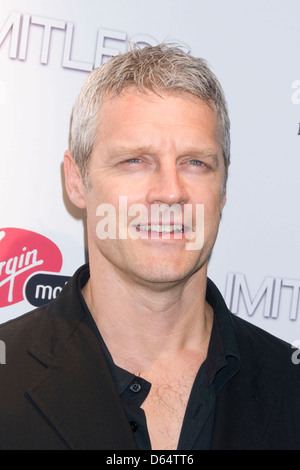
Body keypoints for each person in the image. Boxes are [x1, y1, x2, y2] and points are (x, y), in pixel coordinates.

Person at [0, 44, 299, 451]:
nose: (171, 192)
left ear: (223, 187)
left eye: (196, 162)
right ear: (76, 180)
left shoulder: (290, 384)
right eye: (135, 161)